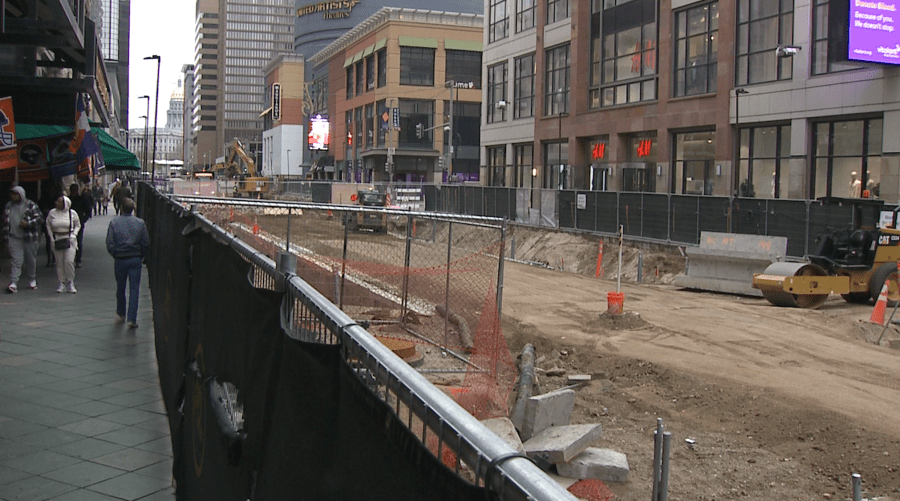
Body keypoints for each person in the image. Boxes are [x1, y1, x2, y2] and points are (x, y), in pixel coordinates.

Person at [106, 198, 149, 328]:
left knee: (120, 287)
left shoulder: (114, 222)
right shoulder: (140, 223)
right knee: (134, 288)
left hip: (120, 258)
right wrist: (141, 254)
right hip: (135, 258)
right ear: (133, 209)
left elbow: (109, 242)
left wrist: (115, 253)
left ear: (121, 208)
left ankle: (120, 313)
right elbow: (145, 242)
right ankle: (132, 318)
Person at [2, 186, 44, 293]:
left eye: (15, 194)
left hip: (29, 237)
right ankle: (14, 282)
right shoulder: (8, 206)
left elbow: (39, 218)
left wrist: (28, 224)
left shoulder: (30, 205)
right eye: (12, 194)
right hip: (14, 237)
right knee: (16, 261)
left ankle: (32, 279)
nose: (13, 196)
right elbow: (5, 222)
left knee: (30, 259)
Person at [46, 195, 80, 293]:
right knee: (59, 263)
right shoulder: (52, 213)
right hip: (57, 239)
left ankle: (71, 282)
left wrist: (74, 234)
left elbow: (78, 224)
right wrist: (51, 237)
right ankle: (61, 282)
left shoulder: (72, 213)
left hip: (69, 239)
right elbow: (48, 224)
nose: (57, 203)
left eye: (59, 202)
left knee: (69, 262)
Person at [69, 183, 91, 268]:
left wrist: (83, 220)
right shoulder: (68, 199)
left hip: (79, 222)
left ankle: (78, 259)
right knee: (70, 241)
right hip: (69, 223)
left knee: (78, 241)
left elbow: (88, 210)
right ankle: (71, 258)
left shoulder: (81, 199)